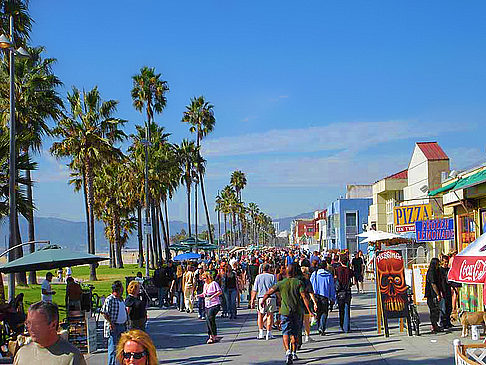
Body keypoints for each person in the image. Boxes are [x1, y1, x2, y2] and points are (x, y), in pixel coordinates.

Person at [261, 263, 313, 365]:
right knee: (295, 333)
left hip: (285, 312)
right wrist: (310, 311)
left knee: (285, 332)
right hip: (297, 311)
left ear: (286, 272)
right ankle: (293, 352)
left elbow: (269, 292)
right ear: (294, 272)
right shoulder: (298, 283)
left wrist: (263, 300)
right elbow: (304, 297)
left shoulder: (281, 283)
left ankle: (287, 352)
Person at [14, 301, 87, 364]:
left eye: (36, 324)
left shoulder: (71, 357)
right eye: (28, 323)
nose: (30, 328)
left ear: (53, 325)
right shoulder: (22, 354)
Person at [101, 280, 128, 365]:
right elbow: (104, 312)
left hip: (122, 326)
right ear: (117, 289)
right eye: (121, 288)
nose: (123, 290)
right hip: (114, 326)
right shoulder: (110, 299)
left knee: (121, 348)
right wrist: (110, 323)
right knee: (112, 348)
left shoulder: (121, 299)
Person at [251, 263, 277, 340]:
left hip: (261, 298)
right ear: (269, 269)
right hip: (271, 297)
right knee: (270, 315)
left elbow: (254, 289)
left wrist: (252, 299)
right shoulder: (272, 277)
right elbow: (275, 288)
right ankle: (269, 333)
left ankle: (261, 332)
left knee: (260, 315)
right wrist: (279, 298)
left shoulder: (258, 277)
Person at [310, 260, 336, 336]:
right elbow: (332, 287)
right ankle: (322, 327)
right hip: (325, 296)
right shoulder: (329, 275)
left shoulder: (314, 274)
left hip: (316, 296)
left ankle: (319, 327)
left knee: (318, 312)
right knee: (324, 312)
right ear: (325, 267)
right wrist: (332, 298)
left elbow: (311, 285)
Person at [199, 271, 223, 344]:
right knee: (209, 320)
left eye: (205, 278)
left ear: (208, 277)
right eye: (203, 278)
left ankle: (212, 336)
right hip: (207, 303)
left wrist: (213, 296)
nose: (204, 280)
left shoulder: (214, 283)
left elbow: (220, 292)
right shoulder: (205, 285)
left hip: (214, 304)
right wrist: (199, 295)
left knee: (210, 317)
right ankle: (213, 335)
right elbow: (204, 293)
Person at [335, 255, 354, 333]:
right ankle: (347, 327)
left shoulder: (337, 270)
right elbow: (353, 275)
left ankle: (342, 325)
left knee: (341, 309)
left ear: (340, 261)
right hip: (347, 291)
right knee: (347, 309)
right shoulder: (349, 270)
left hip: (340, 291)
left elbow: (335, 278)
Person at [300, 266, 318, 344]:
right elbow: (311, 292)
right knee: (306, 320)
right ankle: (307, 336)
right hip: (306, 302)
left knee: (299, 320)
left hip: (298, 302)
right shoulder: (307, 282)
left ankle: (299, 335)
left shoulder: (298, 281)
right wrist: (314, 302)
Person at [425, 258, 443, 333]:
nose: (438, 265)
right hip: (431, 294)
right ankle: (434, 326)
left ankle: (435, 325)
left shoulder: (436, 271)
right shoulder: (431, 272)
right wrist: (438, 294)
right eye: (438, 264)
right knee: (434, 311)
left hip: (433, 294)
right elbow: (433, 284)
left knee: (436, 310)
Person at [439, 255, 453, 329]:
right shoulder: (440, 270)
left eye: (447, 262)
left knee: (449, 307)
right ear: (442, 262)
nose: (446, 263)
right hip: (442, 290)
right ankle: (442, 323)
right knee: (443, 308)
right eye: (444, 262)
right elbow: (439, 282)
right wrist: (439, 291)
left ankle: (448, 322)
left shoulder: (448, 270)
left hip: (448, 290)